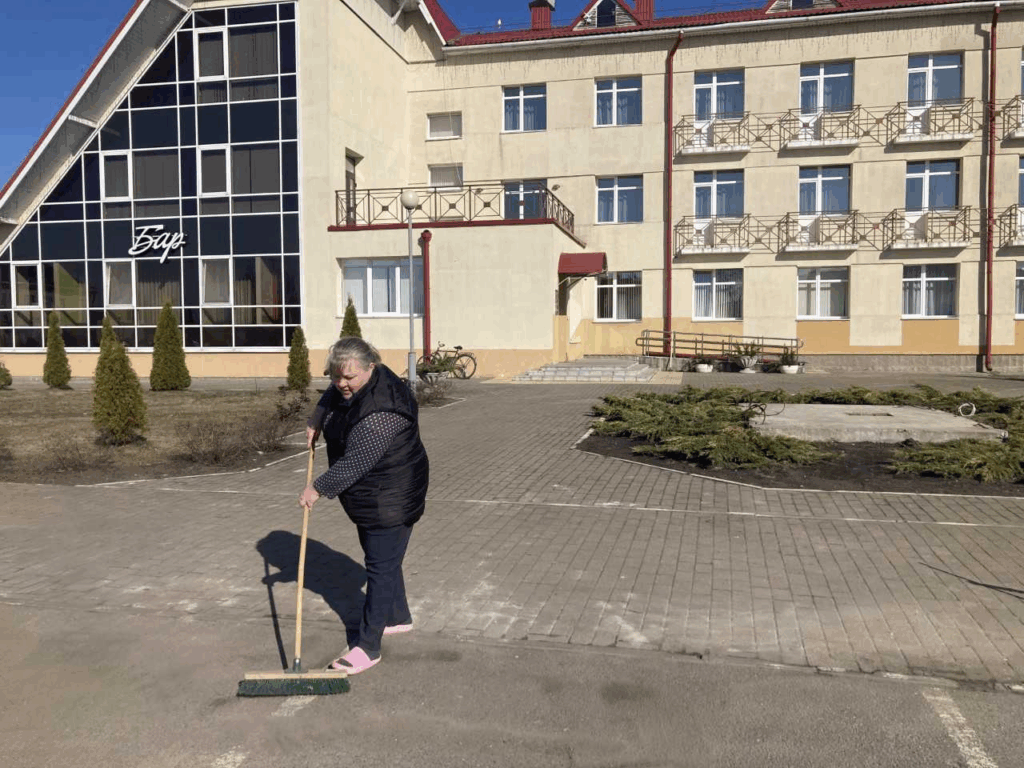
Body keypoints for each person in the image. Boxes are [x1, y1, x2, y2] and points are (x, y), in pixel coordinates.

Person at [298, 337, 429, 674]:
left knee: (380, 568)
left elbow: (354, 464)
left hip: (392, 494)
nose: (341, 383)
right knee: (383, 558)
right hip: (375, 491)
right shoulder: (366, 379)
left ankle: (368, 647)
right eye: (335, 376)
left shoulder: (382, 412)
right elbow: (333, 394)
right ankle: (397, 617)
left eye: (349, 377)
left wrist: (316, 488)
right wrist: (317, 416)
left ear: (371, 367)